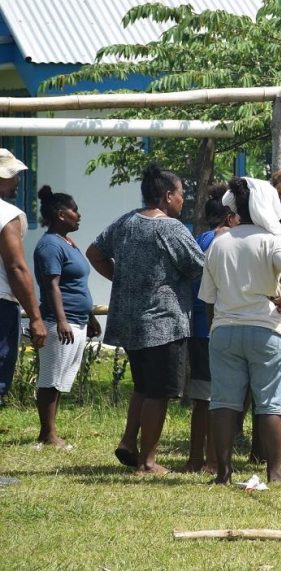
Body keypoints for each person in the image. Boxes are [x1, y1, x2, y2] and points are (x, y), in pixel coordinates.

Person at [87, 163, 205, 475]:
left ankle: (129, 442)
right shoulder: (172, 229)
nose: (183, 199)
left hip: (129, 320)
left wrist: (123, 281)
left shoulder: (126, 222)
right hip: (163, 322)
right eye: (181, 194)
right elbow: (200, 267)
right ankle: (148, 461)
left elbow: (94, 253)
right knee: (159, 392)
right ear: (167, 196)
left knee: (143, 385)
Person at [198, 177, 281, 485]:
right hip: (266, 330)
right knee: (270, 402)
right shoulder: (271, 239)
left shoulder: (220, 242)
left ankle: (223, 472)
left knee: (223, 402)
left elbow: (208, 298)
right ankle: (274, 472)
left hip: (224, 330)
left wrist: (216, 326)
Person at [33, 186, 100, 448]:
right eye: (75, 210)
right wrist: (61, 320)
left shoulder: (68, 243)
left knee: (61, 378)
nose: (79, 215)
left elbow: (78, 285)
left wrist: (90, 316)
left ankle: (51, 431)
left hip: (77, 319)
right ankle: (47, 434)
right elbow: (53, 285)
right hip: (59, 321)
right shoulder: (50, 245)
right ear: (61, 214)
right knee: (50, 378)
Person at [184, 183, 237, 473]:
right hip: (219, 326)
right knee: (220, 399)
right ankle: (213, 461)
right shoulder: (227, 240)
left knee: (201, 399)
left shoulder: (199, 239)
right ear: (230, 217)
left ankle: (195, 458)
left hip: (198, 328)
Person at [0, 148, 47, 403]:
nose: (17, 181)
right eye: (13, 175)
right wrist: (36, 317)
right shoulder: (7, 215)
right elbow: (16, 268)